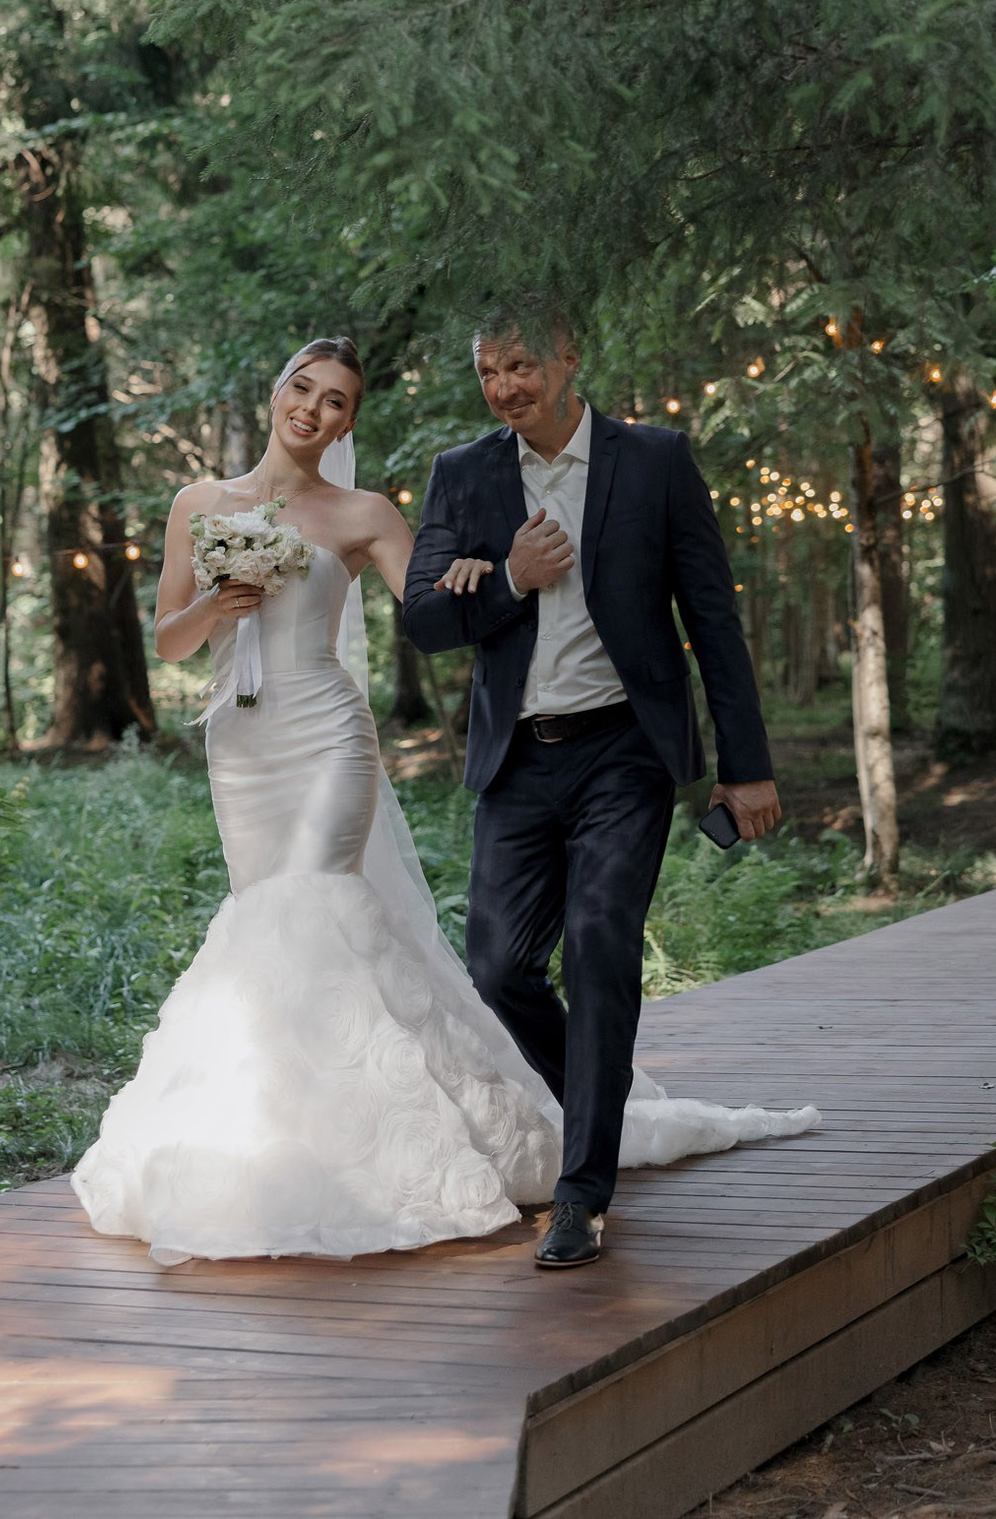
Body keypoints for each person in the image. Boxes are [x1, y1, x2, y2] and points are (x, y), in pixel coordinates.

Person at [71, 336, 813, 1267]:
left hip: (334, 739)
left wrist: (481, 574)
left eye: (337, 401)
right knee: (296, 936)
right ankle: (284, 1136)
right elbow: (171, 642)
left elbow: (428, 606)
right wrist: (226, 604)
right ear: (275, 390)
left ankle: (548, 1164)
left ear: (349, 421)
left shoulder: (365, 510)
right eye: (304, 389)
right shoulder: (197, 505)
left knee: (325, 909)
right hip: (243, 747)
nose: (315, 409)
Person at [398, 307, 787, 1269]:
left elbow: (712, 620)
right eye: (489, 370)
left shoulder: (652, 461)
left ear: (570, 359)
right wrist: (509, 582)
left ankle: (583, 1192)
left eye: (522, 364)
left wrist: (747, 765)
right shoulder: (464, 472)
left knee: (600, 940)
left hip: (625, 749)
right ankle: (598, 1103)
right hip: (516, 759)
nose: (504, 387)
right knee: (496, 969)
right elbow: (421, 620)